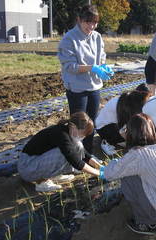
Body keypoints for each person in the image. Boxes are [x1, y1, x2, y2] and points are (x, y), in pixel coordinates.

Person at [85, 113, 156, 235]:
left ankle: (147, 223)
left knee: (128, 178)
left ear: (130, 133)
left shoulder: (138, 155)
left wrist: (112, 162)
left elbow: (110, 174)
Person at [58, 4, 113, 154]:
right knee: (78, 124)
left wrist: (103, 67)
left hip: (94, 86)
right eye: (88, 22)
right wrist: (92, 67)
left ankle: (88, 150)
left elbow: (101, 57)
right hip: (77, 88)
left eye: (95, 22)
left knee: (91, 121)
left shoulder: (97, 37)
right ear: (79, 20)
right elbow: (70, 66)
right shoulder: (69, 39)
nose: (92, 26)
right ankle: (75, 152)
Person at [17, 112, 102, 192]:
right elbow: (74, 160)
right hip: (27, 167)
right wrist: (99, 174)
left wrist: (99, 166)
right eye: (82, 134)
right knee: (62, 153)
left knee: (78, 145)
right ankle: (41, 183)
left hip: (37, 161)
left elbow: (84, 154)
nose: (82, 137)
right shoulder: (61, 134)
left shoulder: (68, 131)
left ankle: (54, 175)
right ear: (73, 126)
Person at [95, 84, 151, 155]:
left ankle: (120, 140)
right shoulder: (124, 104)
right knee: (131, 137)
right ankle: (106, 142)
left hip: (115, 125)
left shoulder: (130, 100)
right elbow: (124, 127)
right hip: (104, 128)